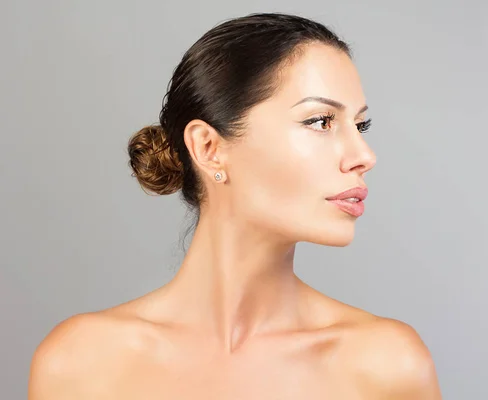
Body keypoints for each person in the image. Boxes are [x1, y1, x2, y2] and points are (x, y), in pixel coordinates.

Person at [28, 12, 442, 399]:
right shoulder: (80, 364)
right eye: (320, 121)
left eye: (360, 125)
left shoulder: (388, 367)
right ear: (208, 148)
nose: (364, 155)